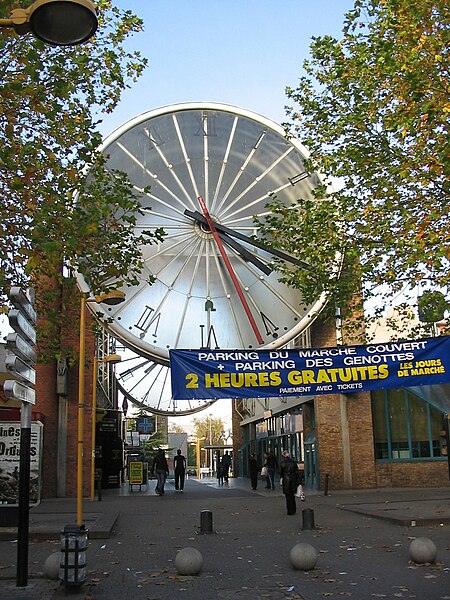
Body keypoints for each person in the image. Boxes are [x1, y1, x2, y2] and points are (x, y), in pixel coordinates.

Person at [279, 450, 300, 515]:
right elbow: (297, 472)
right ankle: (293, 509)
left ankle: (289, 510)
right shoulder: (293, 462)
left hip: (286, 480)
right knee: (292, 495)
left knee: (287, 496)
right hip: (293, 479)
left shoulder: (282, 463)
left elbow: (280, 472)